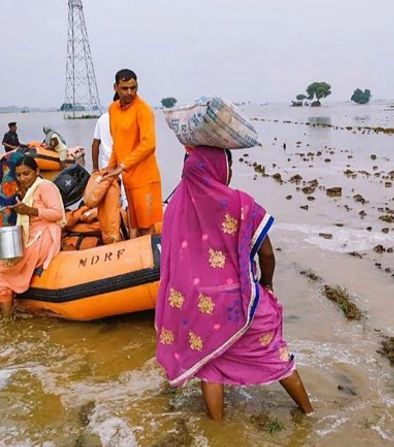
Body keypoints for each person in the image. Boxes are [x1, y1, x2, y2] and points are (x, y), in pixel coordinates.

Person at [154, 145, 314, 421]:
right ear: (219, 168)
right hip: (237, 301)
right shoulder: (241, 204)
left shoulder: (174, 208)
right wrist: (268, 285)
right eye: (229, 164)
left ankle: (217, 429)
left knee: (210, 365)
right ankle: (309, 413)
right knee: (274, 354)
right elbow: (266, 253)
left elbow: (170, 260)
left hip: (196, 303)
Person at [0, 156, 66, 317]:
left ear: (36, 171)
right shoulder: (26, 191)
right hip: (30, 235)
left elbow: (57, 213)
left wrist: (31, 211)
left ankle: (7, 320)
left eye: (26, 174)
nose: (22, 178)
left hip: (44, 236)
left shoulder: (45, 186)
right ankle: (8, 313)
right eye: (19, 175)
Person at [101, 69, 163, 238]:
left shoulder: (143, 109)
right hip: (128, 179)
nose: (129, 92)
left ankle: (155, 262)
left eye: (133, 88)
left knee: (147, 227)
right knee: (134, 225)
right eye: (124, 88)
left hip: (146, 178)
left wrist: (122, 166)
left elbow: (149, 144)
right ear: (115, 87)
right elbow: (117, 143)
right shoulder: (113, 109)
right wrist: (110, 167)